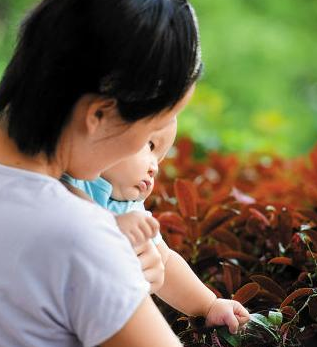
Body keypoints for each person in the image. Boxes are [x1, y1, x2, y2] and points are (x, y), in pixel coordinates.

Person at [0, 0, 204, 346]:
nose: (150, 159)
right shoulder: (82, 240)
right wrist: (118, 280)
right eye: (152, 131)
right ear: (99, 115)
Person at [62, 117, 250, 335]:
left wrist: (209, 305)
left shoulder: (132, 210)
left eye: (160, 160)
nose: (155, 169)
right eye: (150, 145)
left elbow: (165, 261)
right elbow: (63, 200)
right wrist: (108, 224)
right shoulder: (73, 177)